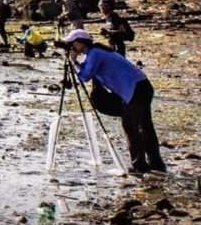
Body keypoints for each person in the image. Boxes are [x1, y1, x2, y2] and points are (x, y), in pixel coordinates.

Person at [63, 28, 165, 175]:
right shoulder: (95, 52)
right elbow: (85, 71)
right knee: (145, 125)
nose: (71, 47)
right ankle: (156, 163)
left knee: (131, 126)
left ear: (79, 43)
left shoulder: (95, 54)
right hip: (142, 85)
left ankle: (139, 165)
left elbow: (85, 76)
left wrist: (72, 62)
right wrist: (76, 63)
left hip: (135, 89)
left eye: (71, 44)